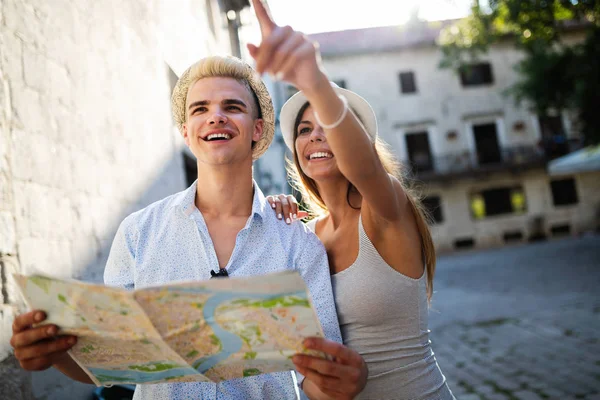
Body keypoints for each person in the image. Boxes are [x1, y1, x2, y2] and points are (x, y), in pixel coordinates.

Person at [10, 52, 368, 399]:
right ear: (185, 131)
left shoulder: (299, 243)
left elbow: (320, 377)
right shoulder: (138, 233)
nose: (215, 117)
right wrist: (54, 354)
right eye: (200, 109)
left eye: (232, 107)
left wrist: (342, 384)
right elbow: (110, 363)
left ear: (258, 129)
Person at [248, 1, 455, 399]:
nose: (315, 136)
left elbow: (364, 169)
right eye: (304, 130)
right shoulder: (303, 234)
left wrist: (312, 80)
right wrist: (270, 214)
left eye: (328, 126)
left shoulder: (386, 207)